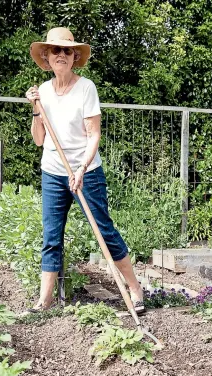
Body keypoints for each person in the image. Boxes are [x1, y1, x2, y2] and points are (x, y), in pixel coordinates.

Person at [25, 27, 145, 314]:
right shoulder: (41, 92)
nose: (61, 55)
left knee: (103, 230)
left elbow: (93, 135)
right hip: (53, 172)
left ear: (75, 56)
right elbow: (39, 140)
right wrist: (34, 109)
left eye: (67, 50)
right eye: (56, 50)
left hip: (86, 171)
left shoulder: (86, 88)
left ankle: (135, 289)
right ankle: (45, 301)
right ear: (47, 56)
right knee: (51, 236)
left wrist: (81, 169)